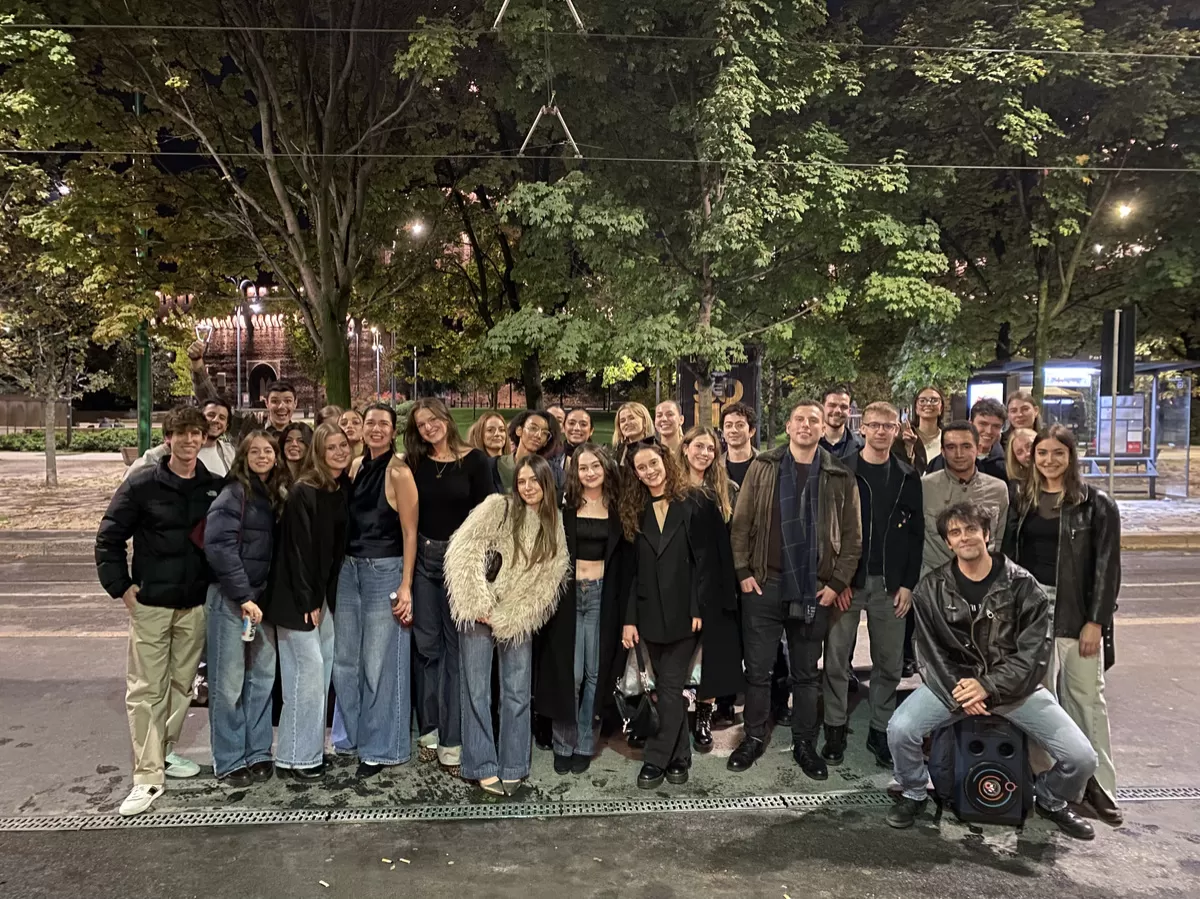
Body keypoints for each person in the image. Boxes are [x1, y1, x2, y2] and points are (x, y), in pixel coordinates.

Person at [885, 502, 1098, 840]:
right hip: (955, 688)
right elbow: (928, 652)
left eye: (971, 530)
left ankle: (1052, 798)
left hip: (1015, 688)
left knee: (1083, 757)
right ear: (948, 543)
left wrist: (987, 686)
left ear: (987, 534)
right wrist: (962, 690)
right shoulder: (932, 588)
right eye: (955, 532)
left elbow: (1034, 655)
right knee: (900, 729)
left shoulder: (1024, 586)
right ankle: (913, 790)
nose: (964, 537)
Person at [95, 406, 222, 817]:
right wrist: (121, 587)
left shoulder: (214, 487)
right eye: (181, 433)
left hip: (195, 604)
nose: (189, 440)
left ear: (205, 439)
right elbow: (109, 537)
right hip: (150, 604)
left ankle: (165, 751)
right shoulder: (143, 484)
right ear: (168, 439)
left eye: (196, 433)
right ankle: (147, 776)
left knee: (182, 685)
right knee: (146, 690)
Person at [728, 399, 862, 780]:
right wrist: (742, 571)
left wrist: (836, 584)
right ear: (788, 426)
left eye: (813, 421)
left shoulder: (839, 475)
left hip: (813, 590)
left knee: (806, 674)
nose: (806, 425)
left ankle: (805, 742)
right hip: (764, 584)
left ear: (823, 429)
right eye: (799, 419)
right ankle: (753, 737)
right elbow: (741, 524)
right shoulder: (764, 466)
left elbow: (852, 538)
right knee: (758, 671)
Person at [1004, 425, 1123, 825]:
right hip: (1031, 615)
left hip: (1077, 616)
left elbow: (1107, 570)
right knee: (1040, 702)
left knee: (1086, 701)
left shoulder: (1097, 504)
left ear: (1072, 456)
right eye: (1042, 453)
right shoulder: (1021, 501)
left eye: (1058, 453)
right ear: (1031, 457)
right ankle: (1049, 781)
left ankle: (1097, 785)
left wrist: (1097, 622)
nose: (1049, 461)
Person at [446, 455, 570, 796]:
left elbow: (551, 577)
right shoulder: (496, 507)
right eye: (522, 481)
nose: (528, 487)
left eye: (534, 481)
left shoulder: (553, 522)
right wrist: (479, 602)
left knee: (516, 692)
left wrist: (510, 615)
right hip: (478, 609)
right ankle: (481, 764)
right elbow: (463, 550)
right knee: (476, 690)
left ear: (546, 483)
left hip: (517, 617)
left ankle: (514, 763)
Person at [821, 402, 923, 769]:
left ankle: (880, 729)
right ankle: (834, 725)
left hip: (890, 584)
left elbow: (916, 535)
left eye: (889, 426)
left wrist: (908, 584)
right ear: (862, 428)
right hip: (848, 582)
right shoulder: (841, 471)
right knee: (835, 659)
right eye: (875, 425)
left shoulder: (907, 476)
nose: (881, 431)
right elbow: (827, 530)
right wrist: (837, 579)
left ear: (897, 431)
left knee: (889, 663)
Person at [620, 440, 723, 789]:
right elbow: (630, 573)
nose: (649, 471)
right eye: (641, 467)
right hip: (649, 614)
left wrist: (698, 606)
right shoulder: (634, 510)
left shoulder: (694, 502)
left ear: (665, 461)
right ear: (635, 473)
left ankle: (655, 759)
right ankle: (680, 758)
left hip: (684, 614)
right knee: (668, 688)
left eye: (653, 463)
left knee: (670, 687)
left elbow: (704, 562)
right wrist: (629, 618)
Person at [405, 398, 494, 774]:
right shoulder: (414, 464)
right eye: (422, 424)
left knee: (457, 652)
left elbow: (489, 517)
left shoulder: (475, 461)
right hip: (425, 558)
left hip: (461, 561)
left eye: (434, 420)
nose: (429, 428)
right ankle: (429, 728)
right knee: (427, 648)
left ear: (447, 419)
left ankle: (452, 740)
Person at [261, 422, 351, 781]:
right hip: (298, 597)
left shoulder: (340, 487)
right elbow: (298, 552)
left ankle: (311, 751)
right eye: (331, 447)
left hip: (322, 596)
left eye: (343, 445)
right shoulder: (304, 490)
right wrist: (307, 600)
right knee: (305, 674)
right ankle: (294, 757)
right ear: (318, 452)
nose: (339, 452)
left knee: (321, 670)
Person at [333, 403, 419, 778]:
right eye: (371, 423)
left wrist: (406, 585)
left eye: (384, 423)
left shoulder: (399, 472)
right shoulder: (354, 467)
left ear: (393, 429)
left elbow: (410, 532)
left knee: (380, 662)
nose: (377, 429)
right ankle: (351, 736)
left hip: (384, 569)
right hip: (349, 570)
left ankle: (384, 745)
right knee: (346, 659)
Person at [536, 444, 633, 774]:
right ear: (575, 472)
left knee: (595, 674)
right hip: (569, 597)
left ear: (605, 468)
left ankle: (585, 743)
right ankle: (563, 742)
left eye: (595, 466)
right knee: (571, 674)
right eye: (583, 467)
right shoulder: (565, 506)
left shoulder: (619, 508)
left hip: (603, 597)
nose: (589, 472)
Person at [203, 430, 287, 787]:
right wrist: (243, 596)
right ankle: (230, 758)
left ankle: (258, 752)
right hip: (232, 601)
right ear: (244, 456)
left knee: (261, 681)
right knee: (228, 684)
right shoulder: (234, 492)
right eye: (256, 451)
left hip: (262, 603)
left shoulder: (273, 495)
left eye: (269, 450)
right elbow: (219, 546)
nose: (263, 456)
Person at [678, 426, 745, 749]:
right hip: (680, 578)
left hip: (716, 580)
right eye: (698, 446)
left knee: (712, 653)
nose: (704, 453)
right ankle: (673, 713)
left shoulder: (727, 490)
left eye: (710, 448)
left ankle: (705, 713)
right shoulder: (671, 487)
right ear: (686, 447)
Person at [921, 421, 1009, 576]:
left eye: (966, 446)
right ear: (942, 451)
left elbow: (999, 540)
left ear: (978, 449)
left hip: (982, 580)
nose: (959, 454)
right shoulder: (924, 487)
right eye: (951, 447)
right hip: (934, 581)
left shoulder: (998, 489)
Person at [188, 340, 297, 441]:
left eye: (287, 401)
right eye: (275, 401)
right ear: (266, 403)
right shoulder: (248, 425)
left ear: (295, 404)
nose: (281, 406)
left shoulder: (301, 436)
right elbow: (213, 404)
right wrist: (197, 362)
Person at [124, 398, 237, 481]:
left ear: (226, 426)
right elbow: (130, 477)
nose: (216, 420)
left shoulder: (229, 451)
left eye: (222, 418)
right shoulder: (175, 449)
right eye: (211, 415)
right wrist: (166, 447)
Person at [927, 398, 1008, 482]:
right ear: (971, 424)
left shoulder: (1007, 466)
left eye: (996, 426)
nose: (989, 431)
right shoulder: (943, 460)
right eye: (983, 424)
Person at [494, 409, 565, 494]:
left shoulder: (553, 472)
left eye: (544, 433)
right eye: (533, 428)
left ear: (546, 441)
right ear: (519, 430)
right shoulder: (496, 465)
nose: (538, 435)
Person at [898, 386, 945, 473]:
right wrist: (909, 448)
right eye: (922, 401)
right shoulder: (904, 436)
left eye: (934, 400)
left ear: (941, 408)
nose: (928, 404)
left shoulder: (948, 437)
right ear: (916, 408)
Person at [819, 386, 864, 461]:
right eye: (832, 405)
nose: (838, 410)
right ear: (822, 408)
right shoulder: (809, 444)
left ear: (849, 411)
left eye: (843, 407)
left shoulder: (862, 447)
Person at [721, 401, 758, 488]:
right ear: (723, 432)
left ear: (752, 431)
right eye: (728, 425)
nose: (733, 430)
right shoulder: (714, 467)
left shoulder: (765, 465)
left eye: (740, 425)